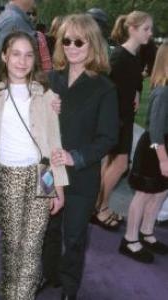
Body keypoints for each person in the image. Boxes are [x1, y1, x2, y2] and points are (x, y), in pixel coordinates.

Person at [0, 31, 68, 300]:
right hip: (6, 174)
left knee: (33, 243)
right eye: (15, 54)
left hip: (42, 173)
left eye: (28, 55)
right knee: (12, 241)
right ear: (4, 56)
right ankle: (10, 286)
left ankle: (20, 295)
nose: (22, 61)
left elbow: (54, 143)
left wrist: (58, 185)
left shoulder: (47, 95)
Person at [48, 14, 119, 299]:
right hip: (49, 173)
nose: (72, 46)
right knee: (49, 231)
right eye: (67, 40)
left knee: (74, 236)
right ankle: (49, 274)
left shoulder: (104, 88)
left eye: (80, 41)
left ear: (93, 45)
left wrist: (75, 157)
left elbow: (108, 138)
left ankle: (68, 287)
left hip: (82, 174)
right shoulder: (49, 79)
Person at [94, 11, 153, 230]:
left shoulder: (133, 56)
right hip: (116, 120)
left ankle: (99, 206)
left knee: (111, 165)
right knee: (118, 165)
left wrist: (136, 92)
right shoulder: (119, 57)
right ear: (132, 29)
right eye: (146, 28)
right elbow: (105, 90)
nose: (150, 33)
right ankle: (101, 208)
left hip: (124, 118)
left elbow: (133, 82)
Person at [120, 41, 168, 263]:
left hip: (164, 148)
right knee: (144, 194)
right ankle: (130, 238)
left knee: (160, 193)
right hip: (155, 149)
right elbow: (157, 131)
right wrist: (163, 159)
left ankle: (147, 232)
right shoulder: (163, 91)